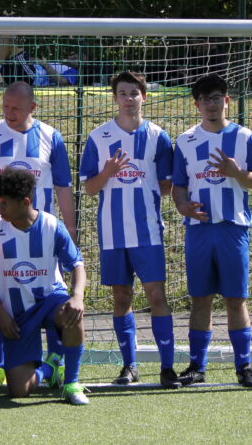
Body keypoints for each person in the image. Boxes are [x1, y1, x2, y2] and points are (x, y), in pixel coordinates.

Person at [0, 81, 77, 386]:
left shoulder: (50, 136)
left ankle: (56, 364)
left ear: (33, 107)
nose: (9, 112)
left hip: (42, 238)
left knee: (52, 297)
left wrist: (69, 229)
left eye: (16, 107)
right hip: (1, 238)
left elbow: (63, 188)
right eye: (5, 106)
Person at [79, 71, 179, 388]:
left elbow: (166, 186)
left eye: (133, 93)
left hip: (147, 231)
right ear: (115, 98)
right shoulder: (99, 137)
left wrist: (140, 187)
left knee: (156, 295)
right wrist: (109, 171)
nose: (128, 99)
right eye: (122, 93)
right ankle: (129, 366)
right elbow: (90, 189)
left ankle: (166, 367)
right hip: (112, 232)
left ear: (144, 97)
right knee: (121, 298)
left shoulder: (158, 137)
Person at [171, 73, 252, 389]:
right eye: (205, 100)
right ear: (197, 105)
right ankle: (197, 366)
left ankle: (244, 367)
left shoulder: (244, 137)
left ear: (226, 101)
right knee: (200, 299)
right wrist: (183, 206)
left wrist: (237, 172)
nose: (211, 105)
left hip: (233, 228)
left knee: (235, 299)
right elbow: (179, 186)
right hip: (199, 230)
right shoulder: (185, 141)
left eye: (217, 98)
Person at [0, 167, 89, 405]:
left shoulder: (51, 226)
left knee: (72, 313)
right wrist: (1, 314)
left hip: (50, 301)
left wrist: (77, 296)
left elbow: (77, 265)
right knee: (19, 391)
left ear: (25, 202)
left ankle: (71, 383)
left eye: (4, 203)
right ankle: (51, 366)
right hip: (18, 315)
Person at [0, 35, 79, 86]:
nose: (75, 56)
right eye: (75, 54)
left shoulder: (74, 72)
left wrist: (44, 64)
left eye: (79, 57)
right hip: (26, 73)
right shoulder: (61, 65)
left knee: (7, 37)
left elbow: (63, 82)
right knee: (7, 39)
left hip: (32, 78)